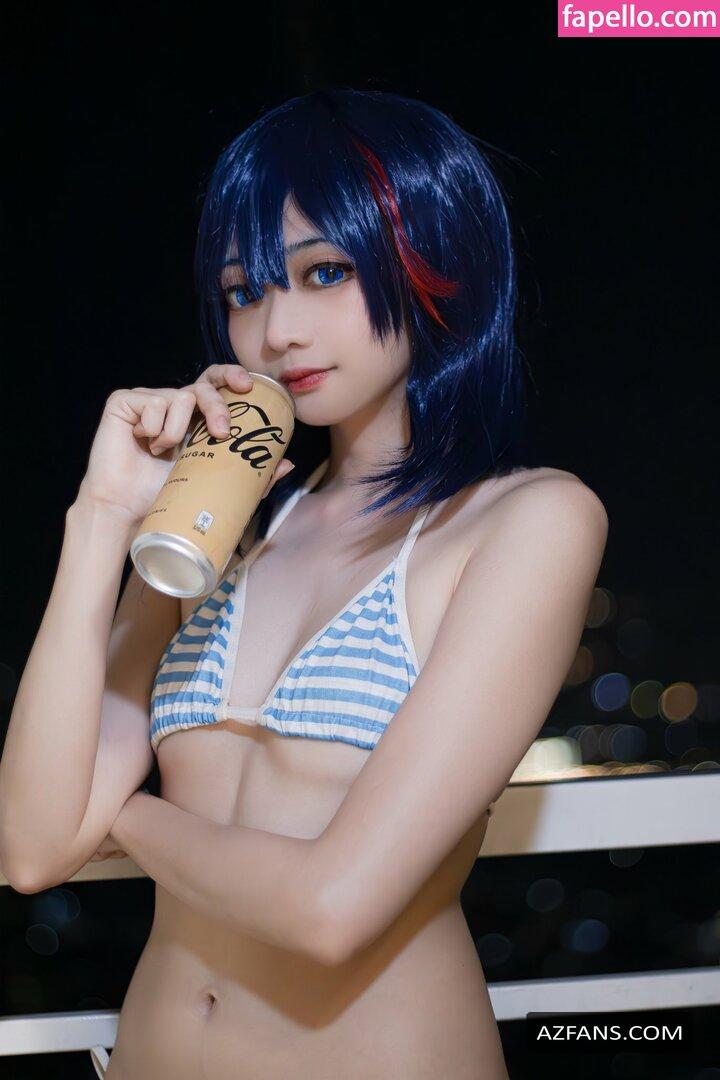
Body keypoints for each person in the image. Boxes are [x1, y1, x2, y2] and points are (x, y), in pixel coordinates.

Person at [0, 88, 608, 1078]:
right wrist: (102, 517)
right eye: (246, 291)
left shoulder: (528, 521)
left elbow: (331, 909)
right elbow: (29, 846)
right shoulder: (220, 526)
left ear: (435, 262)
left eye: (326, 272)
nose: (277, 330)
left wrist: (119, 817)